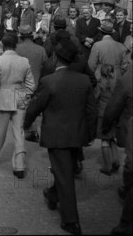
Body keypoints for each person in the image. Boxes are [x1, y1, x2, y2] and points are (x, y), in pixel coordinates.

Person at [24, 41, 97, 236]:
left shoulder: (49, 81)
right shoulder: (84, 80)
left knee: (64, 175)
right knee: (65, 170)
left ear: (56, 58)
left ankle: (71, 221)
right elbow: (91, 111)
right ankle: (53, 194)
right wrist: (90, 135)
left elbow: (35, 106)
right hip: (78, 134)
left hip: (57, 135)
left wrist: (26, 124)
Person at [0, 34, 35, 179]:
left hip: (2, 98)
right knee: (19, 132)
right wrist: (25, 95)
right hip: (20, 98)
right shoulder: (24, 61)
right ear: (16, 45)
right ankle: (19, 166)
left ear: (2, 45)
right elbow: (31, 85)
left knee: (0, 130)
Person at [102, 63, 132, 235]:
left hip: (126, 124)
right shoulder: (121, 78)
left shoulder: (126, 79)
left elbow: (113, 107)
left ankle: (126, 224)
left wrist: (105, 124)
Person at [15, 24, 47, 143]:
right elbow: (46, 66)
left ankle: (22, 129)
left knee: (21, 108)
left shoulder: (16, 49)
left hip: (20, 83)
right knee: (32, 108)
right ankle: (31, 130)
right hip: (36, 82)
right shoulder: (41, 49)